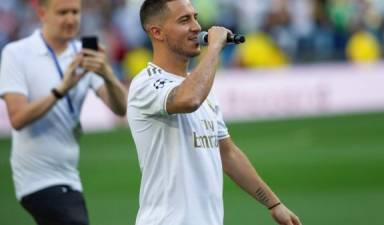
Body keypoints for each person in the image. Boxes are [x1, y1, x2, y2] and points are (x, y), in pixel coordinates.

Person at [126, 0, 302, 225]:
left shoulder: (201, 87)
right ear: (157, 32)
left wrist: (274, 204)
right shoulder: (146, 83)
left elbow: (228, 153)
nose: (197, 26)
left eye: (195, 17)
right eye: (184, 20)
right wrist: (215, 48)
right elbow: (189, 100)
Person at [0, 0, 127, 224]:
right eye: (62, 12)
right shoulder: (17, 53)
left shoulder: (83, 54)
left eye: (75, 12)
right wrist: (61, 89)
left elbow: (121, 108)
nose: (70, 19)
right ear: (42, 13)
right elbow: (17, 118)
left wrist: (106, 72)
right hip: (35, 178)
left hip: (69, 174)